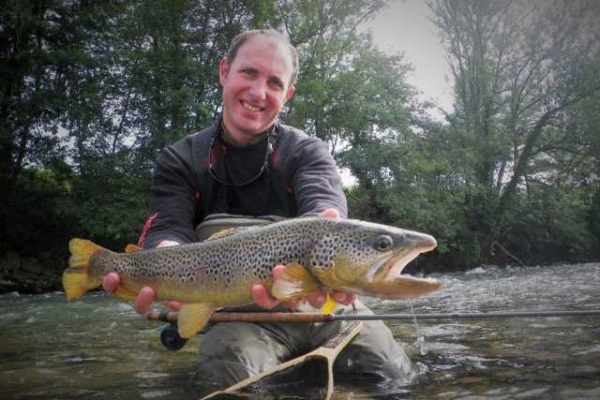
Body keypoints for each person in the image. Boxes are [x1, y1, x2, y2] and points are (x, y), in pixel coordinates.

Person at [103, 29, 413, 392]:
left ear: (288, 94)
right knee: (226, 382)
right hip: (239, 319)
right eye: (248, 73)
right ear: (224, 72)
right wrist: (165, 267)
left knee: (394, 378)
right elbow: (166, 228)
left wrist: (329, 222)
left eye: (274, 82)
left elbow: (324, 207)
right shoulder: (181, 159)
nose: (257, 92)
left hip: (327, 310)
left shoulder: (307, 152)